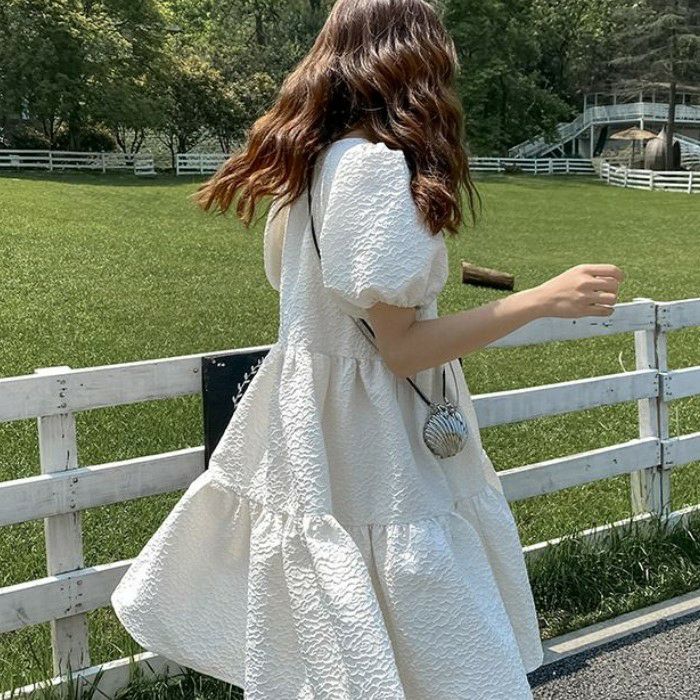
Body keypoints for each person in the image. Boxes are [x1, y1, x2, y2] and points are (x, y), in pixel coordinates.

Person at [110, 1, 624, 698]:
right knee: (430, 638)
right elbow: (402, 349)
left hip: (321, 425)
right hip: (374, 440)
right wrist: (541, 299)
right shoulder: (372, 170)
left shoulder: (313, 166)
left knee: (348, 642)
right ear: (413, 61)